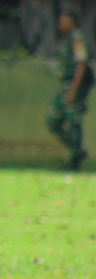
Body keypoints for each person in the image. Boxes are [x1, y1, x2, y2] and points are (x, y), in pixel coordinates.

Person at [45, 10, 93, 170]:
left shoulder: (77, 39)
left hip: (74, 85)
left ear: (72, 22)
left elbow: (81, 64)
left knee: (73, 121)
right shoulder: (66, 39)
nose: (60, 24)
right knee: (53, 120)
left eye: (63, 21)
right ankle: (77, 150)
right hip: (65, 85)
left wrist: (73, 90)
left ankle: (75, 159)